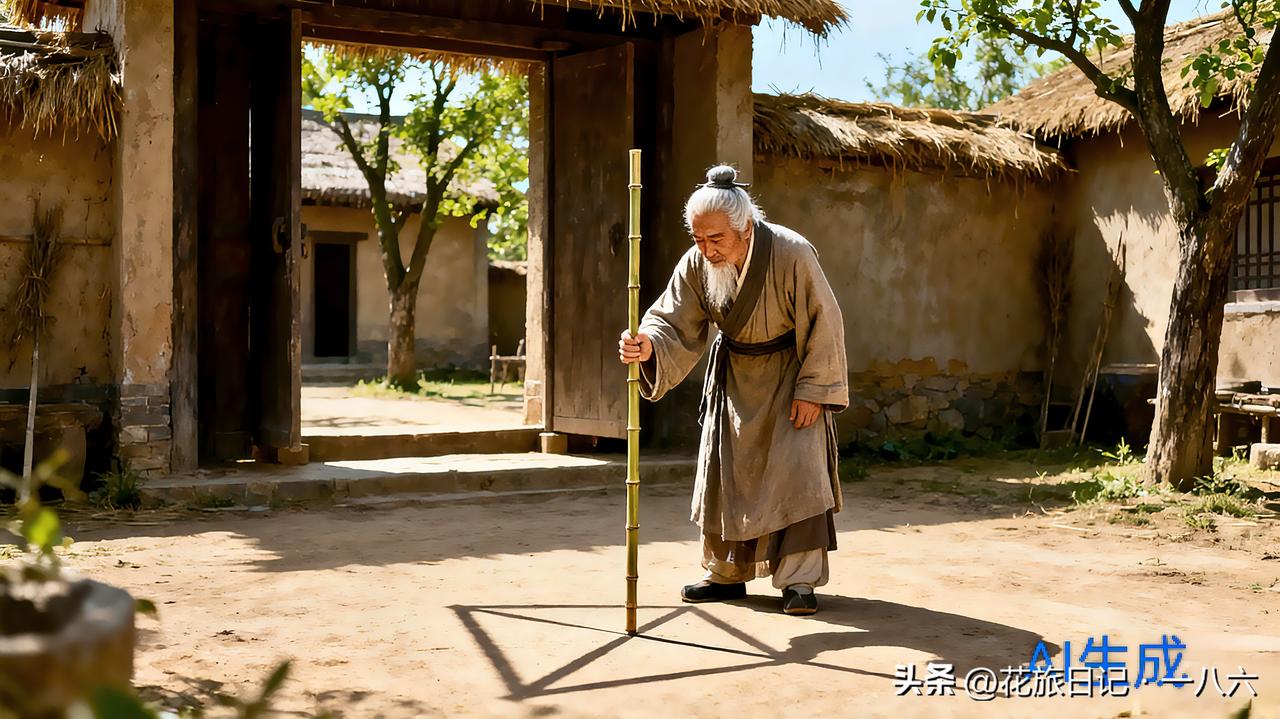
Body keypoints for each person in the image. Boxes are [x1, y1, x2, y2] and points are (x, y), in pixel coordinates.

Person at [618, 165, 848, 616]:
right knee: (726, 475)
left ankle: (798, 581)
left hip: (789, 378)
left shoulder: (791, 252)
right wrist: (647, 345)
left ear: (744, 229)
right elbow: (671, 318)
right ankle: (725, 574)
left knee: (797, 475)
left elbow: (826, 319)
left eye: (716, 239)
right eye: (698, 239)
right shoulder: (697, 263)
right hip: (733, 379)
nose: (706, 249)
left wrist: (814, 390)